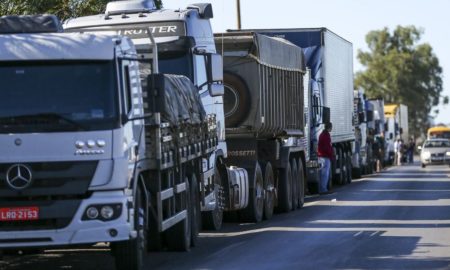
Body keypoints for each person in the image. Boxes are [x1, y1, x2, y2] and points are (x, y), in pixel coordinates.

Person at [318, 122, 333, 195]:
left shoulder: (321, 134)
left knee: (321, 174)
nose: (331, 129)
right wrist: (331, 154)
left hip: (321, 156)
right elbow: (328, 147)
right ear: (329, 127)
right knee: (325, 174)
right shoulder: (326, 135)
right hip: (325, 156)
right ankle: (323, 189)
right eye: (331, 127)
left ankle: (321, 189)